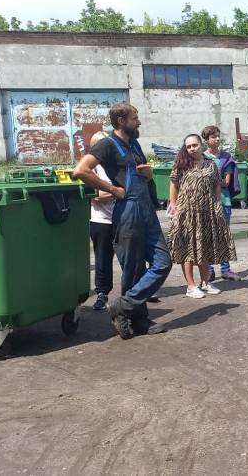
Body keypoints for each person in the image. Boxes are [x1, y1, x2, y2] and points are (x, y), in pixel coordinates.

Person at [73, 103, 171, 339]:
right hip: (127, 210)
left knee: (163, 262)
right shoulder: (107, 144)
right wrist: (111, 189)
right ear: (121, 121)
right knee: (133, 268)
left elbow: (138, 171)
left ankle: (123, 306)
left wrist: (147, 176)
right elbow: (81, 170)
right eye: (135, 118)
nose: (138, 122)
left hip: (145, 207)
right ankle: (137, 319)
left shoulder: (134, 143)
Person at [167, 134, 237, 299]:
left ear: (201, 145)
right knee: (188, 250)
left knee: (203, 247)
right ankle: (191, 286)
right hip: (186, 213)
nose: (192, 149)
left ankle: (205, 283)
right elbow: (173, 184)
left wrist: (217, 205)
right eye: (189, 146)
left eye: (194, 145)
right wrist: (174, 206)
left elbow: (216, 186)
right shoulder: (181, 164)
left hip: (206, 212)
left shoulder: (211, 164)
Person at [202, 125, 241, 282]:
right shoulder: (201, 157)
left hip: (223, 201)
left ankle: (225, 269)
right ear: (206, 140)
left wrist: (209, 179)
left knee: (223, 235)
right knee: (208, 236)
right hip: (205, 203)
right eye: (213, 137)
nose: (217, 139)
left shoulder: (226, 158)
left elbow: (226, 182)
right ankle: (209, 270)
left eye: (218, 136)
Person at [88, 131, 115, 311]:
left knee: (131, 257)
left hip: (122, 218)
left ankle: (138, 292)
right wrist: (118, 191)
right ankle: (102, 294)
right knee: (103, 259)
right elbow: (94, 197)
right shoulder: (92, 169)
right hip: (101, 221)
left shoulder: (116, 166)